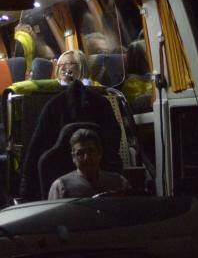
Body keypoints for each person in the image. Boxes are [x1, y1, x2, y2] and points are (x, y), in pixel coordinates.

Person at [19, 50, 123, 200]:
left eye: (69, 64)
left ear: (81, 68)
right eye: (60, 64)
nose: (63, 68)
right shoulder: (47, 102)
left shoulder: (102, 98)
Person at [48, 128, 131, 199]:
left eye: (91, 151)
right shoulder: (61, 186)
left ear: (100, 153)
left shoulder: (119, 183)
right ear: (73, 157)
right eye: (80, 153)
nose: (86, 158)